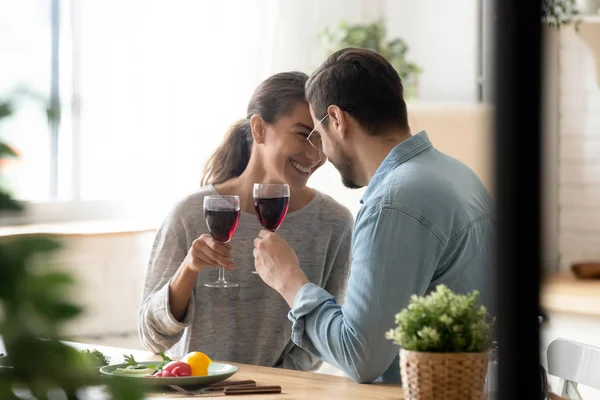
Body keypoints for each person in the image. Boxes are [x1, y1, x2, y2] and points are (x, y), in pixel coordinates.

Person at [252, 49, 495, 383]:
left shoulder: (393, 202)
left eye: (318, 135)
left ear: (337, 120)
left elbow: (360, 358)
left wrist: (290, 281)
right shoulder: (456, 174)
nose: (321, 152)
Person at [138, 71, 354, 371]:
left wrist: (269, 385)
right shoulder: (190, 214)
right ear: (259, 130)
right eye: (303, 134)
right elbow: (151, 336)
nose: (314, 154)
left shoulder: (335, 224)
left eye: (321, 139)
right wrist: (188, 269)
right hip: (194, 391)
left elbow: (322, 338)